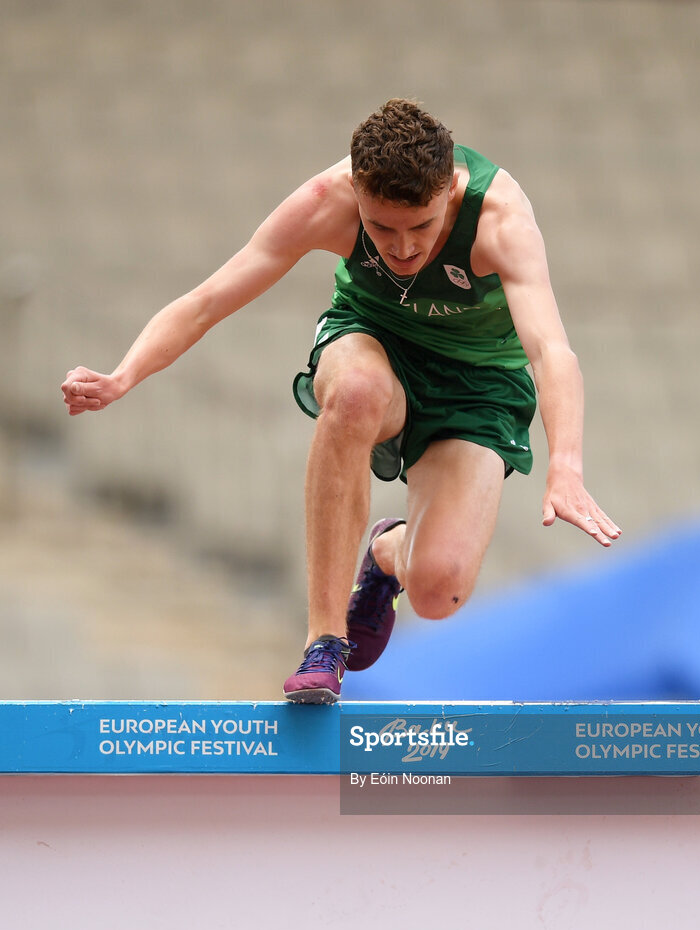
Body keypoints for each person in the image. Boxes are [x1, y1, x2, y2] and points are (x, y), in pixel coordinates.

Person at [61, 98, 621, 704]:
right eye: (382, 228)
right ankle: (324, 644)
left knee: (437, 592)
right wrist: (123, 375)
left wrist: (565, 465)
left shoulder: (499, 219)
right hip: (372, 341)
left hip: (478, 382)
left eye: (422, 227)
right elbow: (208, 300)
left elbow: (550, 351)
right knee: (356, 394)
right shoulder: (326, 202)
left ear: (448, 194)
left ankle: (386, 552)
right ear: (357, 195)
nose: (403, 249)